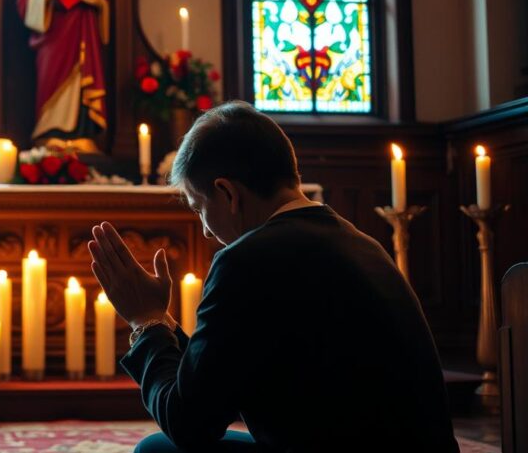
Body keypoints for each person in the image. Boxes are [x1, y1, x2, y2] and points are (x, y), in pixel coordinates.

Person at [88, 101, 459, 453]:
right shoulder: (362, 243)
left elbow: (188, 424)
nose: (204, 230)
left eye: (200, 208)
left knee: (157, 450)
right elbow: (219, 377)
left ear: (227, 193)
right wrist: (162, 321)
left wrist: (145, 320)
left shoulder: (245, 260)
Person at [16, 0, 109, 153]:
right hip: (53, 42)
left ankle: (81, 135)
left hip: (83, 44)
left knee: (80, 86)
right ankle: (49, 133)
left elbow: (104, 9)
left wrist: (99, 3)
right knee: (51, 82)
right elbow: (24, 5)